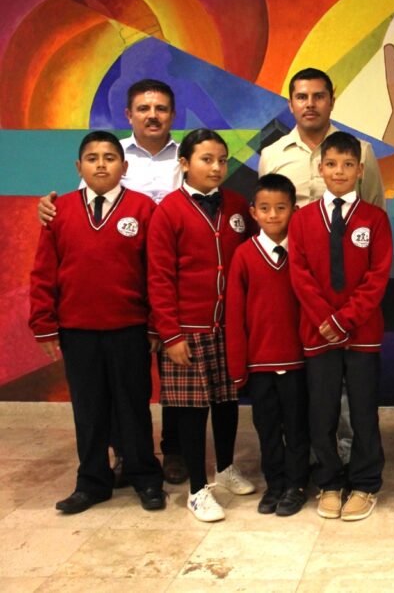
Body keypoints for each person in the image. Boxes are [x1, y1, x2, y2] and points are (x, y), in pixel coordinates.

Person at [37, 79, 188, 486]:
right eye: (143, 108)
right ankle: (124, 456)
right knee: (116, 389)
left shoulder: (187, 156)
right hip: (120, 290)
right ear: (129, 115)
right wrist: (51, 208)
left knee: (173, 377)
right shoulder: (114, 153)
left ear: (173, 114)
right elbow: (85, 213)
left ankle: (171, 452)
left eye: (160, 108)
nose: (152, 115)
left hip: (177, 279)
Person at [29, 131, 166, 514]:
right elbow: (44, 272)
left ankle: (144, 476)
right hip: (78, 330)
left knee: (133, 405)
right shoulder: (59, 211)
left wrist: (155, 324)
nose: (101, 164)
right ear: (79, 167)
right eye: (92, 158)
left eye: (110, 157)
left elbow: (154, 271)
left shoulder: (142, 209)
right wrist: (44, 323)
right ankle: (92, 481)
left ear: (125, 167)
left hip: (129, 328)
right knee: (88, 409)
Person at [148, 129, 257, 522]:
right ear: (184, 163)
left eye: (222, 160)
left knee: (227, 402)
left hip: (230, 325)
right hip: (187, 329)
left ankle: (225, 467)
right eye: (206, 159)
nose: (216, 167)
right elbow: (159, 278)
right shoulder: (169, 212)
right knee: (192, 410)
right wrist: (171, 334)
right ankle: (197, 488)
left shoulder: (238, 205)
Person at [290, 132, 392, 522]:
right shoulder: (302, 219)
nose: (339, 171)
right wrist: (324, 320)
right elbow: (299, 275)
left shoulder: (375, 219)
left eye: (348, 165)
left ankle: (365, 483)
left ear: (360, 170)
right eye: (331, 164)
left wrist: (344, 320)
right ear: (320, 168)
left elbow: (378, 277)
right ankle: (329, 481)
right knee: (323, 411)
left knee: (364, 412)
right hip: (318, 334)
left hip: (362, 333)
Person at [226, 174, 309, 517]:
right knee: (267, 428)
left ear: (293, 210)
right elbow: (233, 315)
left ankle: (297, 484)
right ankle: (274, 484)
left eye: (280, 208)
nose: (273, 215)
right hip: (259, 364)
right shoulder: (244, 256)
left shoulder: (303, 255)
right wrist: (237, 366)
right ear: (253, 213)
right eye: (265, 208)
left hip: (298, 362)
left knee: (298, 426)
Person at [259, 67, 384, 208]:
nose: (310, 104)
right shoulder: (271, 155)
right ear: (291, 105)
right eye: (301, 97)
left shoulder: (362, 151)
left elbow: (376, 215)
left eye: (319, 97)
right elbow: (267, 217)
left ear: (332, 102)